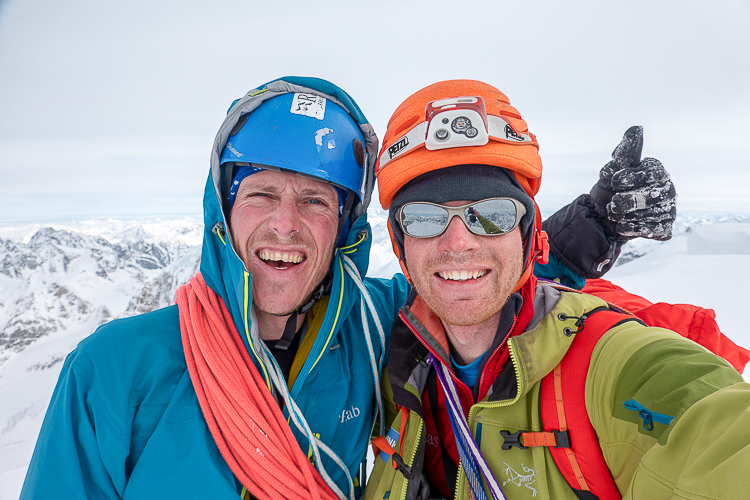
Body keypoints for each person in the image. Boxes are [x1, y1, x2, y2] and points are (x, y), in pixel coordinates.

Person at [20, 76, 733, 500]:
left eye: (316, 201)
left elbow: (474, 287)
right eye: (261, 193)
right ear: (222, 209)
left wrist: (593, 227)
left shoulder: (372, 328)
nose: (286, 224)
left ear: (346, 227)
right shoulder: (118, 368)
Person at [364, 80, 750, 500]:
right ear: (400, 242)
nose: (458, 243)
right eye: (424, 217)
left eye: (492, 215)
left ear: (526, 233)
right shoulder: (385, 340)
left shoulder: (606, 360)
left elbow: (716, 433)